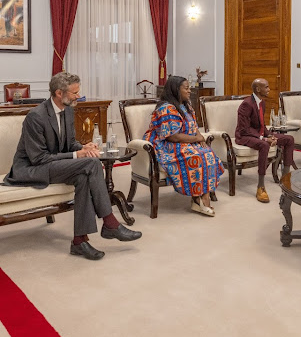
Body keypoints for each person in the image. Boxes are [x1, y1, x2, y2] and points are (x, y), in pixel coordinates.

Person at [3, 72, 142, 260]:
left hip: (50, 164)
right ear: (59, 93)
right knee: (92, 164)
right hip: (30, 169)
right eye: (75, 93)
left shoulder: (68, 110)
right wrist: (78, 154)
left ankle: (79, 241)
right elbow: (39, 158)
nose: (79, 96)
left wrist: (83, 147)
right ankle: (110, 222)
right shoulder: (35, 117)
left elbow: (69, 143)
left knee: (83, 176)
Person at [144, 76, 224, 216]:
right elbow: (172, 136)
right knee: (196, 156)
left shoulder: (185, 105)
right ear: (176, 90)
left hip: (184, 141)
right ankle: (202, 200)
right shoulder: (166, 108)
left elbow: (193, 126)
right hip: (165, 144)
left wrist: (199, 139)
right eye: (186, 88)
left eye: (189, 88)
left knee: (208, 153)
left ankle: (198, 198)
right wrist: (196, 139)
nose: (190, 91)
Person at [235, 78, 295, 203]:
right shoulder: (246, 104)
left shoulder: (262, 102)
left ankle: (285, 179)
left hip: (259, 134)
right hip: (244, 136)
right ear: (258, 89)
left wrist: (270, 136)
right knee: (264, 145)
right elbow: (244, 129)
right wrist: (264, 138)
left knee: (289, 139)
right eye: (266, 87)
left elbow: (261, 125)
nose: (269, 89)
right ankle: (260, 187)